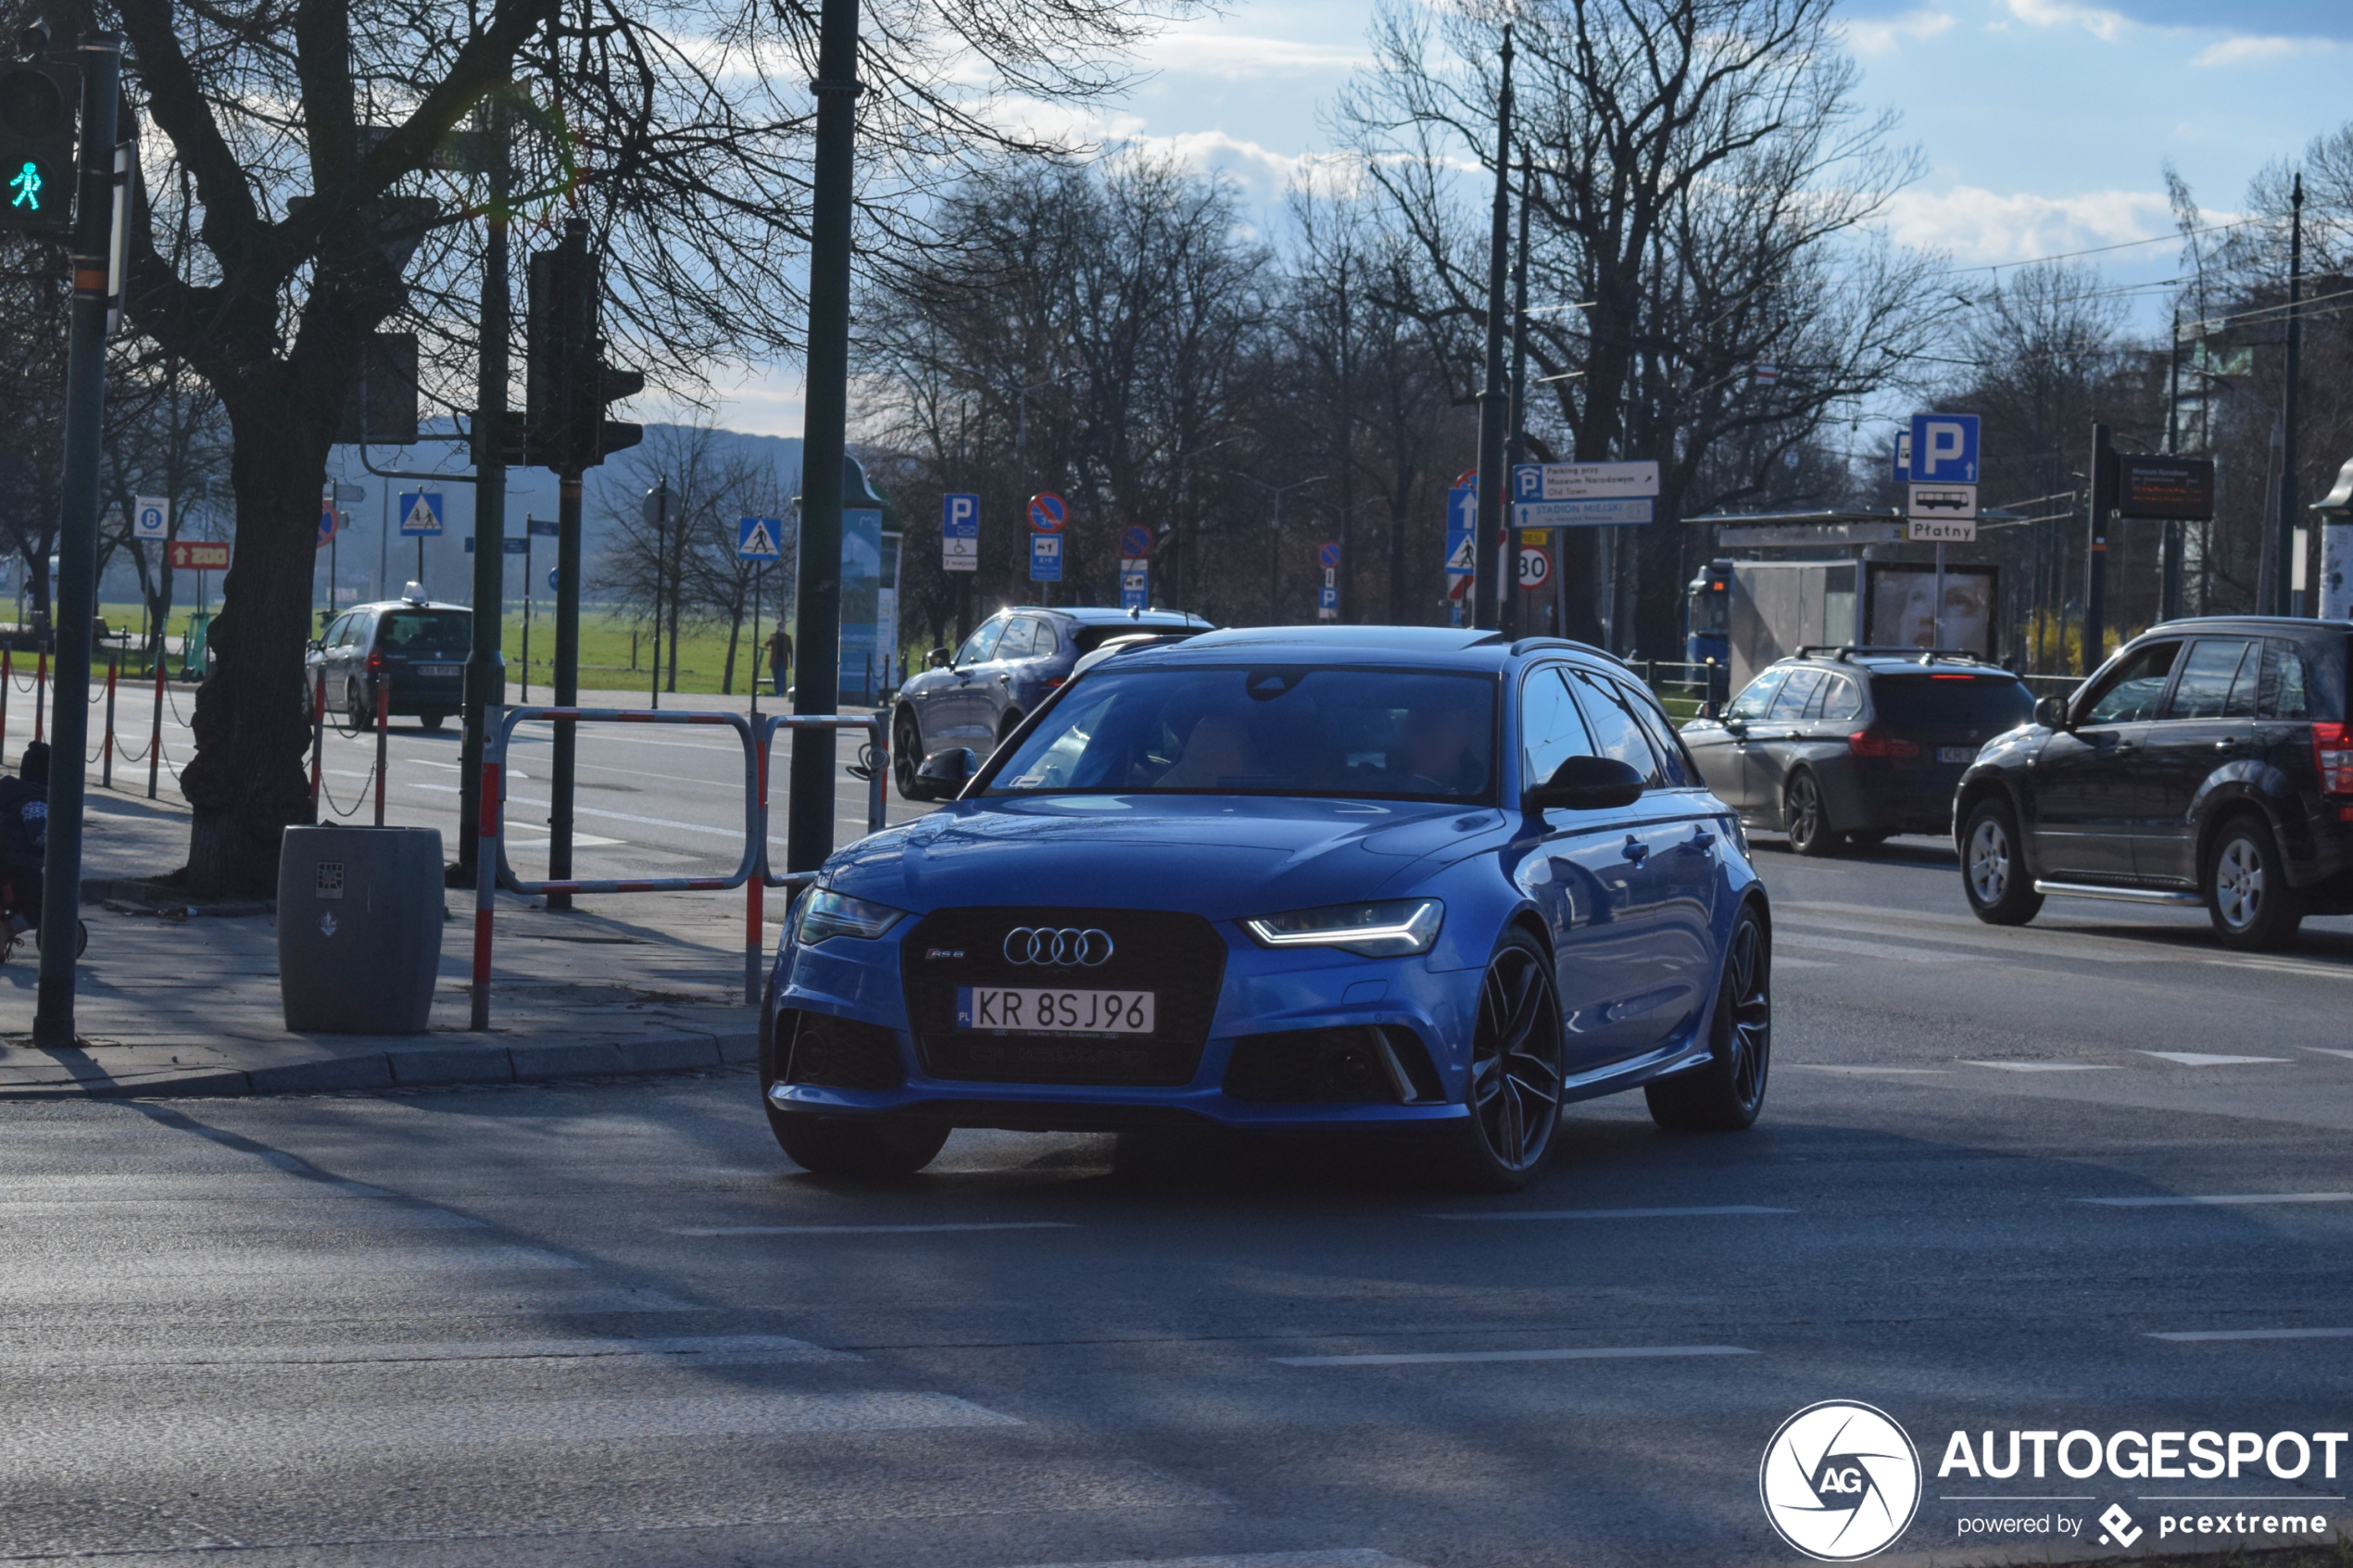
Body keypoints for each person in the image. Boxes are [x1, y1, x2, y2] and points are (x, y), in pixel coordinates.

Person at [0, 741, 50, 933]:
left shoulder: (7, 791)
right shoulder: (35, 801)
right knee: (46, 905)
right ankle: (7, 930)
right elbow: (38, 836)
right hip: (21, 867)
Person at [765, 626, 793, 696]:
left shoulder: (787, 638)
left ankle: (781, 692)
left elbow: (790, 650)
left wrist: (792, 661)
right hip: (774, 660)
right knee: (776, 677)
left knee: (782, 676)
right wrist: (770, 640)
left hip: (783, 660)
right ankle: (777, 692)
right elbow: (766, 644)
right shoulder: (773, 636)